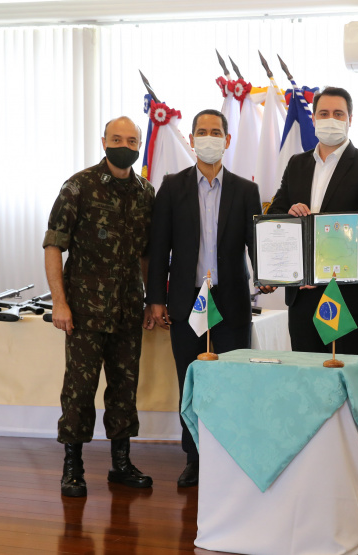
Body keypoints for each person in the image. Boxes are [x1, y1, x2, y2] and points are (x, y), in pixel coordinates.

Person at [146, 109, 262, 488]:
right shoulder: (172, 186)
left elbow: (256, 244)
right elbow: (158, 247)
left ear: (227, 140)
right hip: (186, 304)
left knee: (231, 383)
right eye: (202, 132)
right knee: (191, 383)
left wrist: (272, 274)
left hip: (231, 305)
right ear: (191, 139)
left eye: (216, 132)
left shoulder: (246, 190)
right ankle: (194, 458)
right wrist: (155, 299)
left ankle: (229, 458)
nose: (209, 138)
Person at [43, 115, 156, 498]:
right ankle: (72, 466)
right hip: (85, 312)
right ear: (104, 141)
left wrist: (148, 298)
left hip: (127, 311)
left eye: (131, 139)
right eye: (116, 138)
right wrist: (59, 303)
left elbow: (146, 254)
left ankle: (121, 463)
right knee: (79, 390)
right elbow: (53, 245)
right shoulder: (79, 186)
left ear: (139, 144)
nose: (124, 144)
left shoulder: (145, 192)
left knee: (125, 389)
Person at [265, 86, 358, 355]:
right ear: (314, 118)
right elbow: (274, 218)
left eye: (338, 113)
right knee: (307, 375)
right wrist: (289, 215)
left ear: (350, 119)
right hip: (302, 293)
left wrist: (319, 269)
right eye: (323, 113)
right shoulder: (296, 164)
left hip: (345, 296)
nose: (330, 118)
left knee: (344, 373)